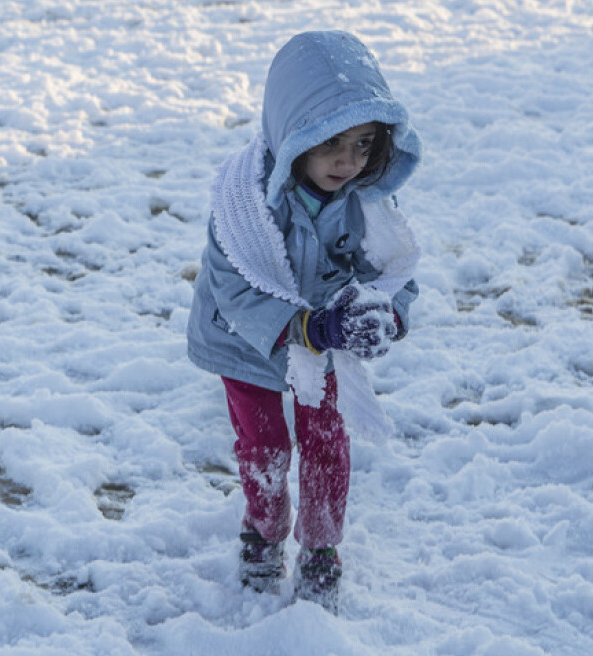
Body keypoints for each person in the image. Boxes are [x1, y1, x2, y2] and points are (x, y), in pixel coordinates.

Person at [186, 30, 423, 611]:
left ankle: (321, 549)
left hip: (324, 342)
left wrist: (386, 314)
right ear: (291, 135)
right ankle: (262, 536)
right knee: (265, 446)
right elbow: (233, 287)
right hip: (245, 344)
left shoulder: (365, 203)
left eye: (365, 144)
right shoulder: (243, 203)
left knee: (326, 444)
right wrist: (307, 329)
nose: (350, 162)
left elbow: (395, 271)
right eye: (332, 144)